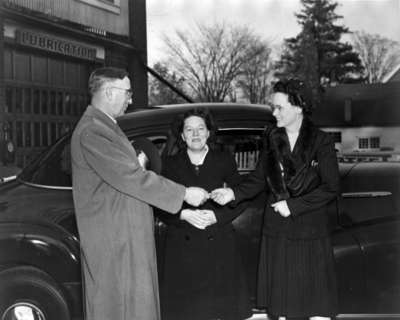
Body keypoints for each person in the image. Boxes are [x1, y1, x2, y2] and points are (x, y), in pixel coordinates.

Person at [71, 67, 209, 320]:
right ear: (109, 92)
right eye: (127, 92)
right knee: (118, 308)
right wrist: (183, 194)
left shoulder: (106, 126)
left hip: (124, 236)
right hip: (115, 242)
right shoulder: (93, 130)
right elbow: (130, 176)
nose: (130, 99)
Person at [211, 80, 339, 320]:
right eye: (273, 107)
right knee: (281, 308)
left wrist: (293, 206)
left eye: (279, 107)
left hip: (309, 231)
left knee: (315, 308)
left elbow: (331, 187)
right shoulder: (272, 137)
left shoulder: (321, 140)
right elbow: (260, 178)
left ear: (298, 107)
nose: (274, 112)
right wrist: (233, 193)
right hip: (277, 231)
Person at [156, 107, 252, 320]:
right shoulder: (170, 164)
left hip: (218, 246)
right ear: (182, 136)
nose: (195, 134)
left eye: (200, 129)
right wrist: (183, 215)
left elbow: (241, 195)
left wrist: (219, 216)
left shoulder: (223, 159)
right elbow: (159, 204)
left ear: (209, 132)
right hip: (181, 248)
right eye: (189, 130)